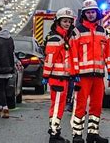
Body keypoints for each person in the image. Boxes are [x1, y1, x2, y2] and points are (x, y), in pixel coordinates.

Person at [71, 0, 110, 143]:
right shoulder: (77, 31)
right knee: (80, 105)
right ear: (84, 14)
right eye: (88, 12)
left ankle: (92, 133)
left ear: (97, 13)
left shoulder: (103, 32)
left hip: (99, 75)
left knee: (97, 105)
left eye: (92, 12)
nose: (90, 15)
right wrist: (75, 73)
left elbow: (107, 54)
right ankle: (77, 135)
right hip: (82, 76)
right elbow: (73, 54)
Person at [42, 7, 79, 143]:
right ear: (58, 21)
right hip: (57, 78)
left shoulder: (66, 37)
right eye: (64, 21)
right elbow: (49, 59)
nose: (67, 24)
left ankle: (56, 133)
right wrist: (45, 76)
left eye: (69, 21)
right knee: (57, 107)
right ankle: (53, 135)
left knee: (60, 106)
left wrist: (74, 74)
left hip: (64, 78)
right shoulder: (55, 38)